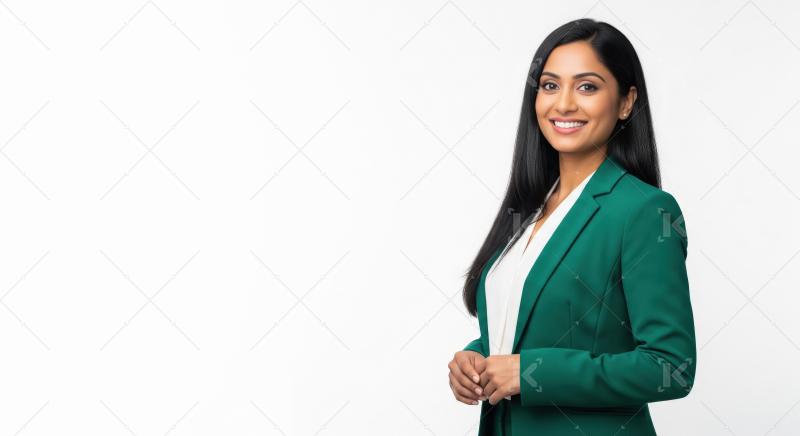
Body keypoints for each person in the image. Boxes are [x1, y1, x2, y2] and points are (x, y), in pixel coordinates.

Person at [447, 18, 696, 436]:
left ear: (626, 102)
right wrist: (478, 359)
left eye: (587, 87)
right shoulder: (529, 210)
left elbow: (671, 367)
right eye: (550, 85)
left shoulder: (644, 212)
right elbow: (538, 327)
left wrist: (531, 373)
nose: (563, 104)